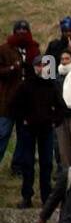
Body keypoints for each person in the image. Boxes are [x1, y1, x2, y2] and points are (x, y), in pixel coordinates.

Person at [11, 54, 61, 207]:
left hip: (46, 130)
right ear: (34, 67)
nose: (41, 68)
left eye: (44, 65)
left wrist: (54, 121)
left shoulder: (52, 85)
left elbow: (61, 107)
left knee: (46, 164)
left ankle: (46, 198)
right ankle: (27, 197)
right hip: (28, 130)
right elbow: (14, 105)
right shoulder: (26, 85)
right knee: (28, 163)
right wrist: (23, 120)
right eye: (38, 65)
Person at [0, 19, 40, 168]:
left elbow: (42, 73)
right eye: (19, 31)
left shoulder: (34, 49)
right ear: (14, 32)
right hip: (8, 100)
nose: (22, 34)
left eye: (25, 31)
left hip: (27, 102)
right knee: (2, 133)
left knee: (24, 137)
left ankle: (18, 165)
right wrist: (12, 68)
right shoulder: (4, 49)